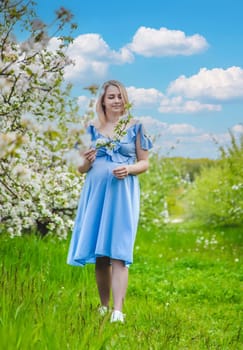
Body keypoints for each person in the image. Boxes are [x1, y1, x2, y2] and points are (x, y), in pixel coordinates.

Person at [67, 80, 152, 323]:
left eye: (119, 96)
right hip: (96, 193)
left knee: (119, 251)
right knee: (101, 253)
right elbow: (81, 169)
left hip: (122, 194)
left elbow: (144, 162)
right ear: (102, 101)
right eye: (111, 96)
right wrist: (86, 160)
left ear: (125, 100)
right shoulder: (90, 129)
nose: (116, 100)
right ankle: (104, 306)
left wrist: (129, 168)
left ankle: (118, 311)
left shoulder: (136, 127)